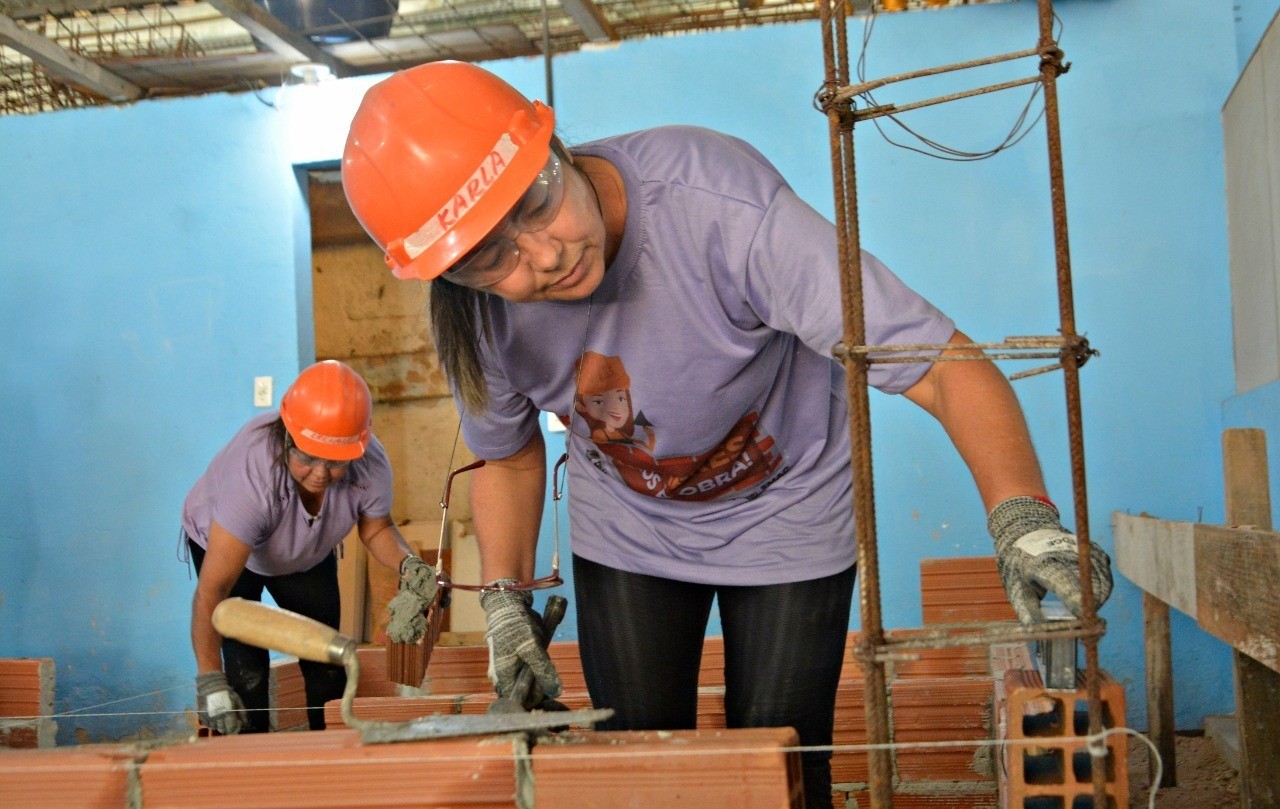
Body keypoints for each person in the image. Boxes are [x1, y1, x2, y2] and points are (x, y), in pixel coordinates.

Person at [340, 61, 1114, 806]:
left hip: (787, 504)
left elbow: (938, 363)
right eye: (490, 258)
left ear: (554, 148)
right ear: (452, 276)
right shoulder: (478, 318)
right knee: (638, 765)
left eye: (539, 206)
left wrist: (1021, 514)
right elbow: (508, 450)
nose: (545, 256)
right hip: (631, 527)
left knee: (779, 758)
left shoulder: (718, 207)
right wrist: (505, 599)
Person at [182, 360, 439, 735]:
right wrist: (209, 680)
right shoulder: (253, 475)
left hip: (306, 552)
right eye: (306, 457)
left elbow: (377, 530)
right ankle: (256, 773)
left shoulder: (370, 465)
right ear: (287, 436)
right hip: (232, 551)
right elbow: (213, 591)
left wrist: (409, 566)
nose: (320, 474)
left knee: (327, 665)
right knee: (246, 675)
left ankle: (328, 757)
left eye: (336, 463)